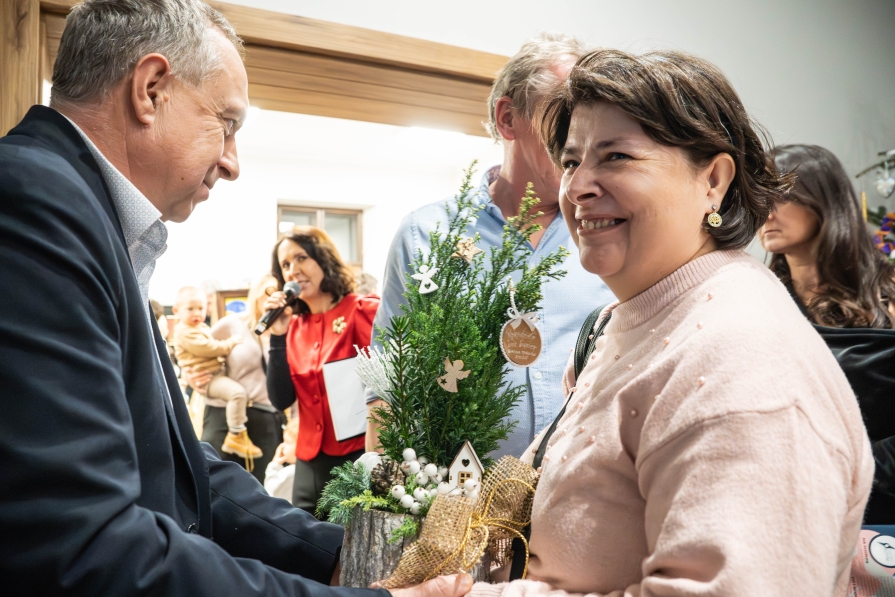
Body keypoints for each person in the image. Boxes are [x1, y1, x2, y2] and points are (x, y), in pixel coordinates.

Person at [0, 1, 465, 596]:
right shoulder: (35, 204)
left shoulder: (85, 214)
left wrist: (339, 556)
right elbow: (82, 543)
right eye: (226, 123)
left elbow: (175, 464)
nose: (232, 162)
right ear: (150, 90)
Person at [465, 49, 873, 597]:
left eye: (616, 156)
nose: (577, 186)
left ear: (714, 181)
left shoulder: (742, 357)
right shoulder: (626, 318)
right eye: (571, 161)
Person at [369, 33, 615, 459]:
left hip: (585, 481)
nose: (581, 136)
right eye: (564, 114)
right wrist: (384, 484)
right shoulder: (425, 234)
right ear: (507, 119)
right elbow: (390, 380)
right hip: (459, 489)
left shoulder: (608, 232)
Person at [759, 144, 895, 523]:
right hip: (793, 506)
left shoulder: (888, 292)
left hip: (881, 510)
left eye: (781, 195)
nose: (765, 211)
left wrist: (853, 472)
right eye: (758, 196)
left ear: (823, 199)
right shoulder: (758, 301)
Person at [265, 227, 380, 512]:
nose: (293, 270)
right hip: (308, 464)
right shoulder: (293, 328)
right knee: (303, 537)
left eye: (301, 257)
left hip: (356, 457)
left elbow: (389, 384)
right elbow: (281, 400)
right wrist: (277, 337)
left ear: (324, 259)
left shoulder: (362, 311)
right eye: (285, 265)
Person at [198, 274, 287, 483]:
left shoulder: (286, 330)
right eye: (267, 293)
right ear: (256, 295)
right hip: (224, 416)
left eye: (278, 294)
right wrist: (192, 373)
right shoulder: (233, 323)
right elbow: (198, 350)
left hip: (266, 419)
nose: (272, 299)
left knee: (263, 488)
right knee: (214, 485)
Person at [172, 285, 263, 461]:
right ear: (176, 311)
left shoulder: (200, 328)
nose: (197, 313)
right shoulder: (185, 332)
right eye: (190, 309)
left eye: (201, 308)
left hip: (216, 374)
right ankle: (236, 433)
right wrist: (230, 343)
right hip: (209, 377)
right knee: (237, 393)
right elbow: (209, 348)